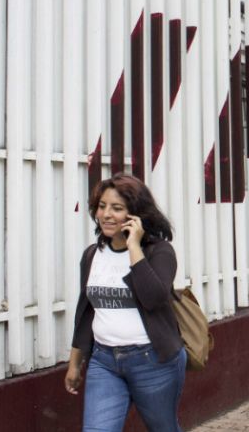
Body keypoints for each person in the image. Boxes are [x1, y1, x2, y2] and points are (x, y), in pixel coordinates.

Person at [65, 173, 186, 432]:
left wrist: (134, 247)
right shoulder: (92, 255)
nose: (106, 214)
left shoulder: (160, 252)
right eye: (102, 206)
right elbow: (86, 313)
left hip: (153, 361)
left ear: (136, 214)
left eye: (117, 208)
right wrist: (75, 363)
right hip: (103, 361)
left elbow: (153, 298)